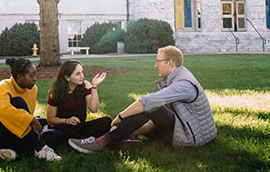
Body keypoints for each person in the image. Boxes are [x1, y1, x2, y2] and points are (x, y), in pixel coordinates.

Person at [68, 45, 217, 153]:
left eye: (158, 61)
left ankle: (101, 143)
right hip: (186, 129)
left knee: (151, 106)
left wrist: (119, 117)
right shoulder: (179, 76)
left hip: (192, 137)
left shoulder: (183, 84)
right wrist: (127, 130)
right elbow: (159, 117)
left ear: (170, 63)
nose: (155, 66)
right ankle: (120, 138)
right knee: (150, 110)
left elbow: (148, 103)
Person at [0, 58, 62, 161]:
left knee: (56, 135)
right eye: (31, 76)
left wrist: (33, 122)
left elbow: (25, 119)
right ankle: (40, 148)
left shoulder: (33, 89)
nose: (35, 79)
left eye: (35, 74)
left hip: (14, 134)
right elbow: (3, 111)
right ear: (20, 77)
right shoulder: (4, 86)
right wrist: (31, 120)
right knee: (18, 102)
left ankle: (14, 152)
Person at [46, 60, 112, 142]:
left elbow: (94, 109)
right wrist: (67, 121)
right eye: (78, 74)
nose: (82, 76)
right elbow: (50, 119)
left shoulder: (85, 85)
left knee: (106, 121)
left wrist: (94, 87)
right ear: (67, 78)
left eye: (82, 72)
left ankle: (82, 141)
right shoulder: (55, 92)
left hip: (80, 126)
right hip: (64, 126)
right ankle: (83, 140)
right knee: (62, 131)